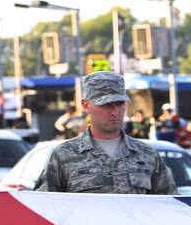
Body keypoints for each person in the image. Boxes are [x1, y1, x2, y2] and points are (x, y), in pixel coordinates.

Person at [34, 71, 175, 195]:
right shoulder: (64, 155)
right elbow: (43, 208)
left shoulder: (147, 155)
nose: (115, 112)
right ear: (86, 105)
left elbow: (170, 205)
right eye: (106, 104)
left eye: (120, 103)